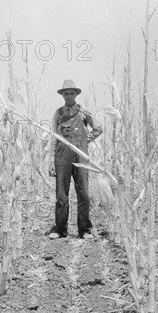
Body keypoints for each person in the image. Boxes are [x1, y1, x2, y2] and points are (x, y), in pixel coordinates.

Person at [47, 80, 103, 239]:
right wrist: (51, 160)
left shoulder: (83, 112)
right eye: (66, 93)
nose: (69, 96)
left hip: (80, 155)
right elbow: (54, 136)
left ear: (76, 94)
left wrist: (85, 140)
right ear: (62, 95)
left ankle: (85, 230)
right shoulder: (58, 113)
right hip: (61, 156)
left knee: (83, 193)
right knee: (61, 195)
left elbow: (99, 128)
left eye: (72, 93)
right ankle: (60, 230)